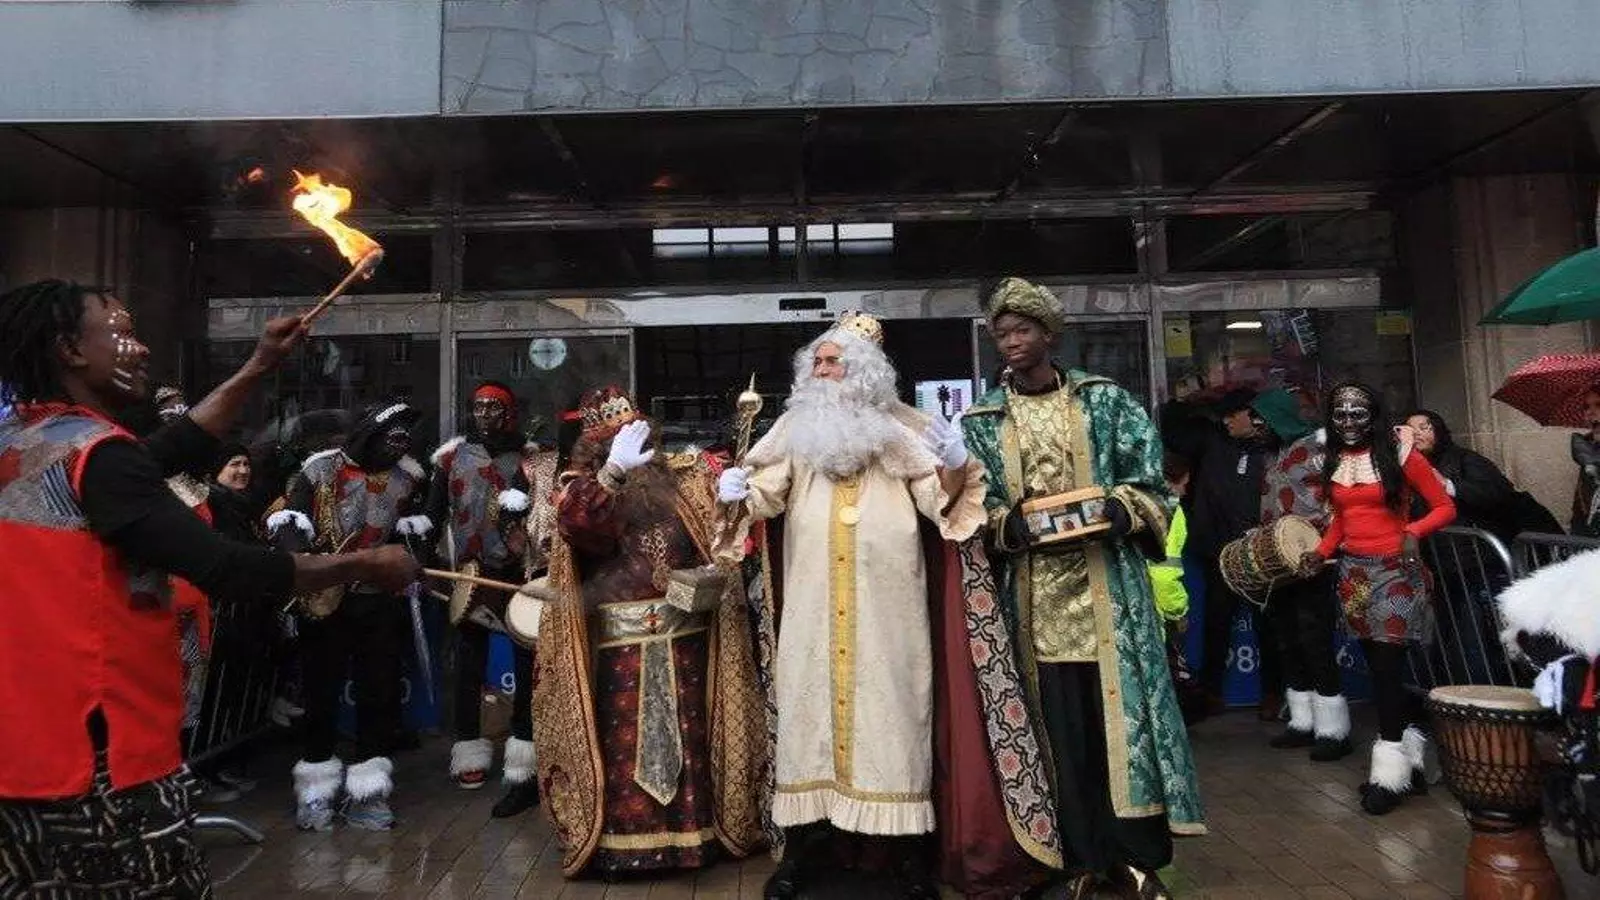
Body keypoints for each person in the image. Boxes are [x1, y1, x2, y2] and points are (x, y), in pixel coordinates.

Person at [0, 279, 418, 898]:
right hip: (97, 756)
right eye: (122, 332)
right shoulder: (98, 455)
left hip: (21, 747)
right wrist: (362, 565)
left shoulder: (25, 442)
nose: (142, 347)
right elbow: (223, 566)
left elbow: (176, 445)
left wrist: (260, 364)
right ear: (70, 349)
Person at [714, 313, 988, 899]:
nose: (820, 369)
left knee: (893, 717)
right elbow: (765, 494)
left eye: (832, 361)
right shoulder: (795, 427)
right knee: (808, 718)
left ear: (863, 371)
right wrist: (738, 493)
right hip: (812, 608)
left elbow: (941, 502)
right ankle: (803, 853)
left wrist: (954, 464)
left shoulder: (903, 429)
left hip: (887, 611)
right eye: (816, 360)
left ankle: (905, 858)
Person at [963, 278, 1204, 899]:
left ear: (1049, 334)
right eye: (1001, 334)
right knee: (1060, 730)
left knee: (1120, 728)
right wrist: (1007, 524)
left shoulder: (1107, 403)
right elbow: (974, 505)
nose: (1012, 342)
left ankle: (1137, 860)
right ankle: (1077, 860)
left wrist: (1122, 508)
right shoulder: (983, 419)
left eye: (1023, 330)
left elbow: (1150, 480)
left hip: (1109, 595)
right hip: (1034, 601)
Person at [532, 386, 767, 878]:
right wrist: (613, 473)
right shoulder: (581, 487)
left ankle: (693, 840)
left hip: (688, 637)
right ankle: (626, 846)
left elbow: (718, 541)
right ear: (597, 445)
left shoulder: (682, 479)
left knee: (691, 739)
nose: (633, 443)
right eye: (616, 437)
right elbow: (582, 530)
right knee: (624, 746)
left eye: (637, 433)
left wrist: (728, 504)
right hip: (621, 647)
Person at [269, 401, 431, 832]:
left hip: (378, 601)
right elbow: (290, 522)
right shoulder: (320, 470)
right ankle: (316, 792)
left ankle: (367, 793)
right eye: (392, 439)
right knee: (320, 694)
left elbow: (413, 533)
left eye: (404, 441)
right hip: (325, 597)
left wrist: (414, 556)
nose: (398, 448)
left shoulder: (408, 478)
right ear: (370, 435)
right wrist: (300, 560)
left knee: (379, 694)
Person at [1306, 382, 1455, 815]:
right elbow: (1342, 519)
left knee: (1388, 669)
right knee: (1378, 668)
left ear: (1373, 416)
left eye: (1357, 413)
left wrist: (1413, 532)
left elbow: (1445, 507)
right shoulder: (1334, 459)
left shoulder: (1401, 454)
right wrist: (1320, 552)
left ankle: (1387, 776)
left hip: (1395, 572)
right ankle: (1408, 761)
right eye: (1340, 414)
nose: (1348, 421)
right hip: (1353, 574)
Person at [425, 381, 542, 818]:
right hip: (468, 573)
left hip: (516, 573)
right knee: (468, 663)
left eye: (494, 407)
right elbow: (434, 512)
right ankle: (469, 748)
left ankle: (524, 754)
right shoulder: (452, 459)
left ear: (510, 412)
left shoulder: (531, 459)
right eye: (478, 407)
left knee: (526, 663)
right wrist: (422, 552)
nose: (485, 415)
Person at [1165, 388, 1280, 719]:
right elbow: (1172, 430)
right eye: (1223, 415)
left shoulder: (1273, 448)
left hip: (1260, 554)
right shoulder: (1212, 440)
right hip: (1218, 550)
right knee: (1217, 624)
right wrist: (1191, 398)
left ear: (1253, 415)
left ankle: (1274, 693)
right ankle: (1211, 693)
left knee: (1269, 628)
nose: (1227, 421)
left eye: (1233, 414)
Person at [1251, 389, 1351, 761]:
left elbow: (1335, 502)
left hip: (1313, 559)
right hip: (1279, 562)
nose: (1257, 426)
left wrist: (1321, 545)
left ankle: (1333, 730)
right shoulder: (1273, 453)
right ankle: (1302, 720)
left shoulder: (1319, 450)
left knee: (1314, 639)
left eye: (1261, 419)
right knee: (1288, 639)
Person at [1405, 409, 1562, 544]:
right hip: (1439, 551)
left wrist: (1448, 485)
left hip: (1478, 549)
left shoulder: (1466, 459)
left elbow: (1497, 493)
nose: (1416, 434)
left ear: (1439, 431)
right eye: (1410, 430)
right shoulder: (1407, 465)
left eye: (1424, 428)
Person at [1571, 387, 1600, 538]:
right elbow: (1579, 514)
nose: (1590, 412)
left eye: (1599, 405)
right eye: (1586, 407)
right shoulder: (1586, 451)